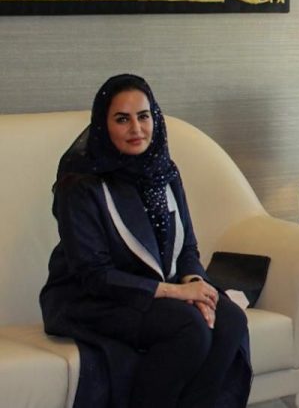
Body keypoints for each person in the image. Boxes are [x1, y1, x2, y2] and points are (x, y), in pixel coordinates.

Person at [39, 74, 251, 408]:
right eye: (122, 119)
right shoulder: (80, 184)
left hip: (157, 292)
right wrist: (175, 292)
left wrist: (195, 284)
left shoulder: (164, 171)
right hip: (92, 299)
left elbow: (187, 247)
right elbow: (94, 275)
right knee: (189, 329)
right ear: (103, 125)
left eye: (143, 116)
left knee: (230, 321)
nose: (136, 129)